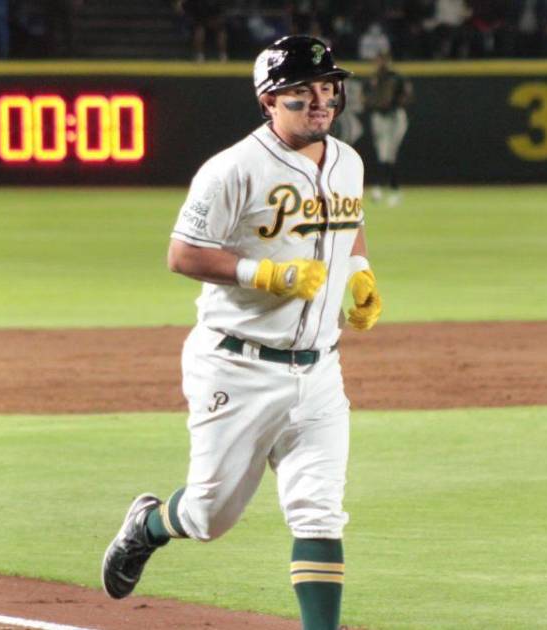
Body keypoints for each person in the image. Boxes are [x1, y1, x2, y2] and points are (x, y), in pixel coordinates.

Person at [101, 35, 383, 630]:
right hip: (237, 365)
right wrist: (266, 274)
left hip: (320, 369)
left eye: (326, 88)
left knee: (319, 513)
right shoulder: (232, 169)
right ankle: (148, 525)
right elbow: (182, 254)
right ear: (268, 101)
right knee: (209, 516)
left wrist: (359, 273)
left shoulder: (348, 162)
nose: (320, 101)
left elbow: (348, 221)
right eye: (301, 92)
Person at [365, 51, 412, 206]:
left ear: (388, 61)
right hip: (379, 117)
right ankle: (386, 190)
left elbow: (407, 95)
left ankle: (387, 190)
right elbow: (365, 97)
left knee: (389, 155)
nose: (379, 63)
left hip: (395, 117)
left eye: (382, 60)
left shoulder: (397, 77)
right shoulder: (373, 78)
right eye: (378, 60)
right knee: (383, 155)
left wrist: (394, 103)